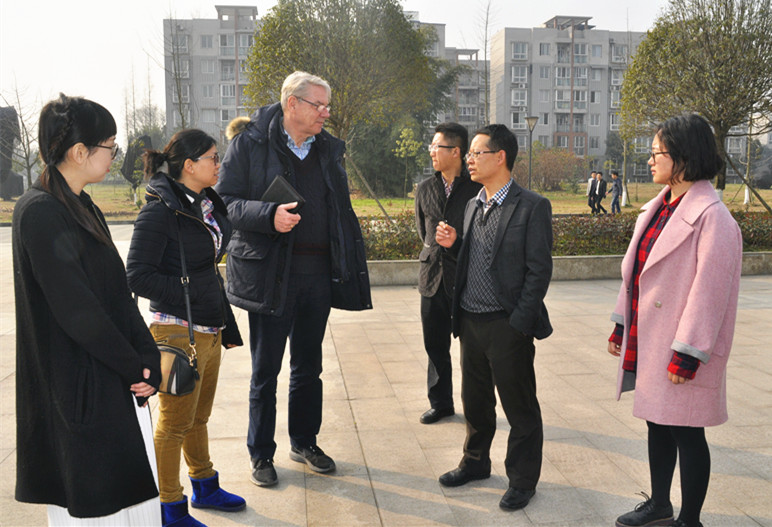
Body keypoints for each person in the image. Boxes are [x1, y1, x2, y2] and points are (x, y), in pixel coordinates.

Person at [215, 71, 372, 488]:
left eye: (327, 106)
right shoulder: (250, 144)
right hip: (271, 274)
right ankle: (260, 453)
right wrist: (268, 215)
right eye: (318, 105)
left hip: (318, 276)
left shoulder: (328, 150)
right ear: (292, 104)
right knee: (265, 370)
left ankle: (304, 442)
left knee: (309, 366)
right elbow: (223, 203)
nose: (326, 113)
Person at [12, 94, 162, 525]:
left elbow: (116, 293)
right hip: (77, 388)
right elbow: (78, 312)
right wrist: (133, 366)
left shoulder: (82, 205)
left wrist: (146, 354)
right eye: (110, 146)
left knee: (133, 508)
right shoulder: (40, 212)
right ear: (80, 152)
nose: (114, 155)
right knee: (96, 511)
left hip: (110, 377)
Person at [608, 114, 742, 527]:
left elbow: (710, 295)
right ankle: (660, 504)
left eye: (657, 153)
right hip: (651, 336)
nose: (649, 160)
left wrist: (688, 354)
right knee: (658, 422)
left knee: (687, 431)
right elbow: (636, 272)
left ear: (683, 157)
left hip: (681, 346)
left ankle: (690, 519)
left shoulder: (714, 218)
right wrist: (620, 323)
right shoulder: (657, 207)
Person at [127, 129, 246, 526]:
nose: (219, 163)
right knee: (173, 425)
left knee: (198, 419)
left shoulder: (205, 202)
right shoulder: (160, 211)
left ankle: (205, 485)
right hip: (176, 332)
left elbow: (207, 268)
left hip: (208, 329)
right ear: (190, 165)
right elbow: (137, 275)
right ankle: (169, 508)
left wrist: (224, 324)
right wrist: (187, 291)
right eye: (213, 157)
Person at [436, 124, 553, 511]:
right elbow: (475, 259)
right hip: (470, 321)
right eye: (469, 154)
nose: (469, 159)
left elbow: (539, 271)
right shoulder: (474, 204)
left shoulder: (531, 206)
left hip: (507, 324)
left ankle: (522, 480)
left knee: (519, 407)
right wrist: (455, 246)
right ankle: (475, 462)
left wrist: (519, 323)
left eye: (476, 153)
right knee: (475, 401)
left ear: (500, 157)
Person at [414, 122, 482, 425]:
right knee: (434, 346)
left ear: (455, 151)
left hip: (466, 281)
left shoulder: (477, 189)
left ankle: (476, 406)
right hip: (432, 279)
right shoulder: (425, 189)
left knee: (473, 350)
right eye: (431, 146)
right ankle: (440, 403)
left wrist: (456, 242)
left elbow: (485, 237)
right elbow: (424, 232)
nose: (431, 151)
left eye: (436, 146)